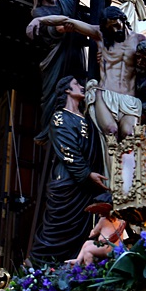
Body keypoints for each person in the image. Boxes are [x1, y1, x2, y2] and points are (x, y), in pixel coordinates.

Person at [27, 5, 144, 140]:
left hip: (129, 98)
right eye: (110, 27)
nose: (114, 30)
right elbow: (67, 21)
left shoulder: (140, 40)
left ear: (123, 19)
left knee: (129, 135)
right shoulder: (101, 34)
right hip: (106, 94)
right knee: (111, 132)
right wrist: (40, 20)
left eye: (116, 25)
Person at [31, 76, 107, 263]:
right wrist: (87, 173)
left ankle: (76, 266)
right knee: (57, 229)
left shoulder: (88, 118)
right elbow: (67, 149)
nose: (81, 86)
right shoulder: (60, 117)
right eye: (76, 84)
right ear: (66, 90)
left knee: (83, 228)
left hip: (85, 186)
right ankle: (41, 266)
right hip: (67, 182)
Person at [27, 0, 87, 143]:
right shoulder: (39, 12)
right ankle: (48, 129)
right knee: (54, 91)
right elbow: (55, 29)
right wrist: (67, 26)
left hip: (75, 50)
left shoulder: (66, 3)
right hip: (59, 55)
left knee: (81, 84)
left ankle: (80, 121)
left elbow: (86, 15)